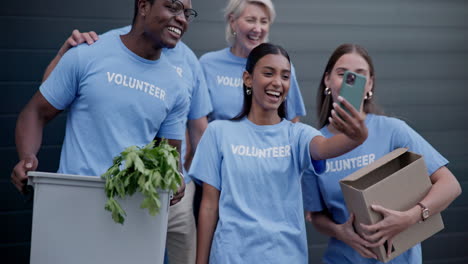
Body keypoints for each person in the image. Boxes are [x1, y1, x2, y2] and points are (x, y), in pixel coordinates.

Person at [10, 0, 198, 216]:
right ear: (144, 6)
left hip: (132, 211)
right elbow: (35, 112)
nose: (182, 19)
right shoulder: (88, 54)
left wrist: (177, 178)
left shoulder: (176, 86)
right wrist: (27, 158)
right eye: (173, 7)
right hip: (72, 201)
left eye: (187, 13)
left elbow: (170, 153)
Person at [190, 43, 369, 263]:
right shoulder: (218, 133)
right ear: (248, 78)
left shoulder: (298, 135)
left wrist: (357, 136)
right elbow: (209, 205)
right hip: (230, 256)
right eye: (268, 73)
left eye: (285, 77)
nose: (277, 82)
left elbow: (326, 148)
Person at [302, 43, 462, 264]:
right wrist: (340, 232)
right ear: (327, 80)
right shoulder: (314, 143)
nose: (351, 80)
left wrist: (410, 217)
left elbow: (450, 185)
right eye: (342, 74)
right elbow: (316, 215)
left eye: (360, 75)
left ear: (370, 84)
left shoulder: (393, 131)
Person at [198, 0, 306, 123]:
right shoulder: (208, 64)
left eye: (264, 22)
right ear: (232, 21)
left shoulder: (282, 66)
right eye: (250, 20)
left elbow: (292, 119)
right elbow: (196, 123)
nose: (258, 29)